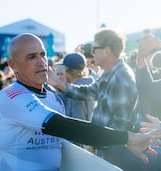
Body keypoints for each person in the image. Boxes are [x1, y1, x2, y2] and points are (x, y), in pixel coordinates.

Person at [0, 33, 157, 171]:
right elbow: (65, 127)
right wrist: (127, 138)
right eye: (32, 57)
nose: (41, 62)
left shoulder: (53, 98)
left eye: (43, 55)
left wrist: (123, 142)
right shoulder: (9, 97)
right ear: (13, 65)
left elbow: (65, 142)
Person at [49, 29, 147, 170]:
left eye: (95, 48)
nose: (92, 52)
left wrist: (94, 145)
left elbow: (120, 125)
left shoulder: (120, 76)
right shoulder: (110, 73)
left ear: (106, 51)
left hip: (113, 153)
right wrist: (59, 84)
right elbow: (88, 91)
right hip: (107, 149)